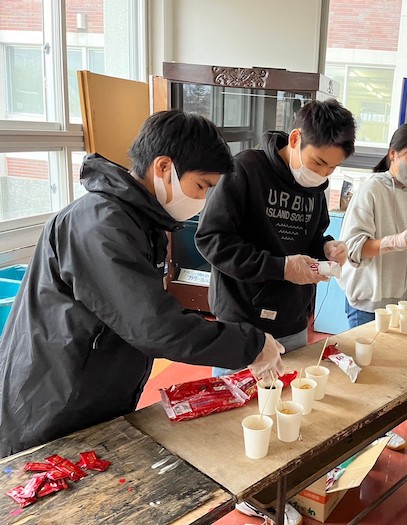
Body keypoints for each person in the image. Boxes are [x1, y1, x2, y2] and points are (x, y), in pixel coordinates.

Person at [0, 110, 285, 458]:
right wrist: (251, 344)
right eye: (201, 186)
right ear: (164, 167)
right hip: (51, 402)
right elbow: (155, 326)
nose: (203, 199)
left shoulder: (137, 221)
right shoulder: (100, 226)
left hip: (87, 390)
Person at [196, 99, 356, 370]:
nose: (323, 174)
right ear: (296, 139)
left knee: (289, 403)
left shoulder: (315, 185)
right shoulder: (245, 169)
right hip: (242, 322)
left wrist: (327, 249)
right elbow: (212, 240)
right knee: (237, 407)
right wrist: (280, 267)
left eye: (332, 168)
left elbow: (314, 235)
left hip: (292, 320)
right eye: (318, 162)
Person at [338, 123, 407, 450]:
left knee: (387, 370)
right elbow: (352, 247)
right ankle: (359, 434)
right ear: (393, 154)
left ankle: (377, 429)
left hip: (397, 297)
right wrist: (393, 242)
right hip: (367, 296)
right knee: (364, 369)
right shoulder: (371, 190)